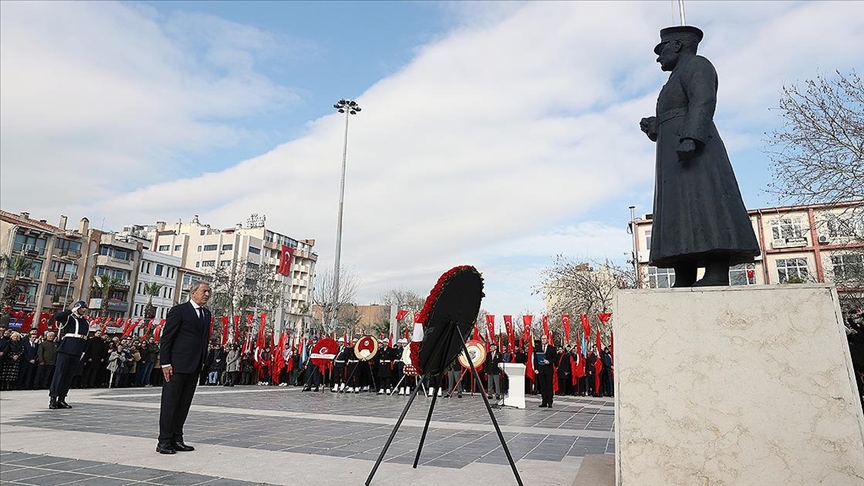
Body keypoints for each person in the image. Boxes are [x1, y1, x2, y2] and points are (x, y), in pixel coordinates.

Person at [639, 25, 759, 287]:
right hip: (672, 156)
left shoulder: (697, 65)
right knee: (679, 210)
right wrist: (656, 126)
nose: (658, 57)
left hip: (696, 152)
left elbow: (703, 101)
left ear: (677, 45)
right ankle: (684, 274)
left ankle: (716, 273)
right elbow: (676, 113)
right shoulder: (674, 78)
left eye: (662, 49)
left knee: (707, 204)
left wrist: (691, 138)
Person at [157, 281, 212, 455]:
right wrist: (165, 363)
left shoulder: (206, 314)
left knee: (184, 404)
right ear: (193, 292)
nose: (207, 294)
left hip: (194, 366)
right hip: (176, 366)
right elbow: (167, 338)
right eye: (204, 291)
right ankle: (164, 441)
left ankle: (177, 438)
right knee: (170, 403)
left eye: (209, 292)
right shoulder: (179, 311)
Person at [49, 301, 91, 408]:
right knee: (59, 373)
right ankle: (53, 398)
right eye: (82, 308)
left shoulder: (85, 322)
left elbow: (86, 338)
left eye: (85, 308)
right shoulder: (69, 318)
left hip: (77, 351)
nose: (84, 310)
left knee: (69, 376)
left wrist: (83, 351)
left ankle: (62, 398)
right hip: (66, 349)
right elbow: (58, 317)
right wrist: (71, 311)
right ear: (77, 308)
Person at [534, 335, 557, 408]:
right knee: (542, 386)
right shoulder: (538, 348)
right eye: (542, 339)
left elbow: (555, 358)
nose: (543, 340)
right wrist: (535, 369)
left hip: (548, 369)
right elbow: (535, 359)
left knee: (549, 386)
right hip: (540, 369)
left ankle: (550, 402)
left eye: (544, 339)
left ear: (547, 339)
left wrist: (549, 361)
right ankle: (544, 401)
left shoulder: (551, 348)